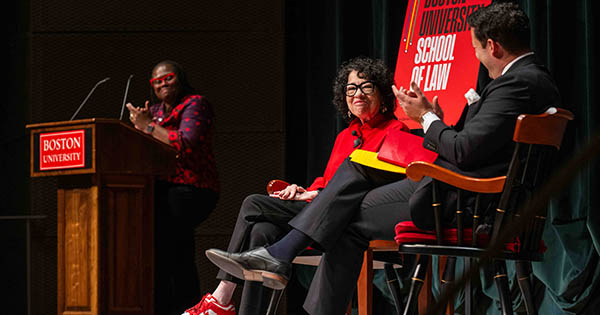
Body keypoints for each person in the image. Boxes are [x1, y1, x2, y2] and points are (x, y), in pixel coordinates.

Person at [204, 3, 562, 315]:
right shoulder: (533, 81)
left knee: (348, 200)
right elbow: (475, 146)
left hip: (463, 203)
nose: (479, 58)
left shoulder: (514, 85)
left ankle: (279, 255)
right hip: (470, 198)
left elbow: (465, 151)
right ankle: (279, 255)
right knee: (347, 188)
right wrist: (440, 121)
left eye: (476, 49)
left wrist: (426, 119)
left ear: (493, 45)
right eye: (350, 89)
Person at [182, 57, 409, 315]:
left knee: (253, 205)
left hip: (349, 218)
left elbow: (374, 189)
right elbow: (328, 181)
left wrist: (317, 194)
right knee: (261, 229)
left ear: (382, 93)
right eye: (350, 88)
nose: (357, 93)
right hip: (319, 212)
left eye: (366, 86)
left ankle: (221, 299)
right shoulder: (345, 136)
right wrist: (302, 190)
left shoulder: (396, 131)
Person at [127, 60, 219, 315]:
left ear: (180, 78)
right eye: (156, 81)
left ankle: (185, 308)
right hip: (159, 190)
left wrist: (147, 126)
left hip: (190, 189)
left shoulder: (195, 104)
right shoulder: (154, 111)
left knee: (176, 252)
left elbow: (185, 143)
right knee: (160, 254)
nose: (162, 83)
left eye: (167, 77)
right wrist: (140, 128)